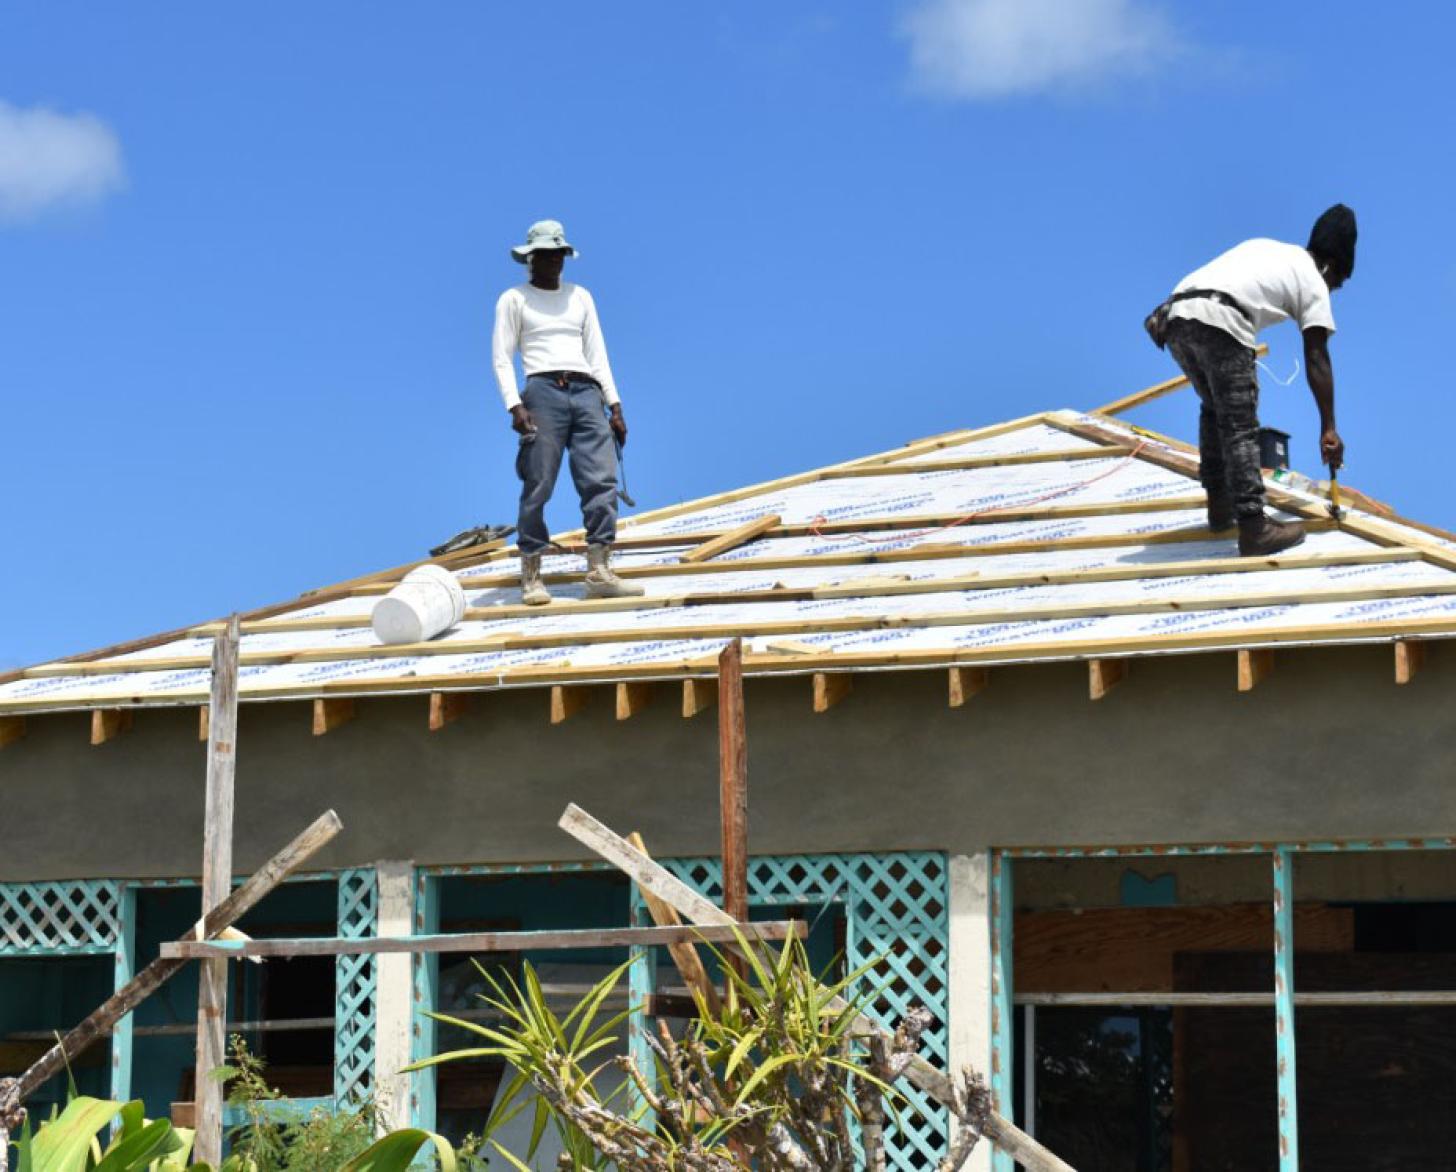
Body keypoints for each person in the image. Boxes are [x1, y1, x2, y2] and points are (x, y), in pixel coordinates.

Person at [1148, 204, 1356, 557]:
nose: (1332, 291)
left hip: (1174, 316)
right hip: (1221, 319)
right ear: (1333, 265)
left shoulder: (1270, 249)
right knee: (1240, 422)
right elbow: (1317, 356)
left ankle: (1220, 505)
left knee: (1215, 408)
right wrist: (1329, 428)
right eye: (1337, 283)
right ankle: (1254, 527)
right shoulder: (1313, 279)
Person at [491, 220, 644, 605]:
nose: (554, 261)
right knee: (538, 481)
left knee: (600, 479)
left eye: (559, 254)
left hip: (586, 389)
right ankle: (531, 573)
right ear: (531, 259)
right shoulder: (514, 299)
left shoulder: (580, 297)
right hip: (542, 391)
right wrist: (515, 404)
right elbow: (501, 357)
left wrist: (615, 404)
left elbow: (598, 353)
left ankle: (599, 569)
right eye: (546, 254)